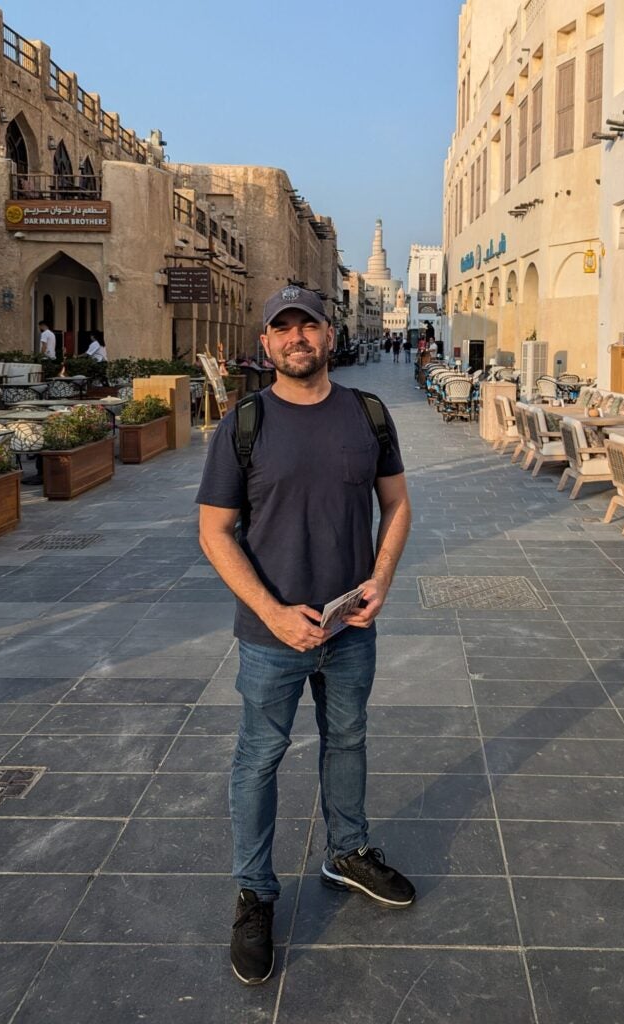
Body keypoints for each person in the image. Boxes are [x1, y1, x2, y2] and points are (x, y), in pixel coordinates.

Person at [196, 285, 414, 988]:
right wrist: (272, 611)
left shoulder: (367, 414)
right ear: (266, 344)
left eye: (308, 326)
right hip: (270, 635)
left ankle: (346, 852)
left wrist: (379, 579)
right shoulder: (246, 422)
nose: (296, 338)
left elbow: (397, 503)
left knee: (347, 738)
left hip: (350, 625)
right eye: (281, 328)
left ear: (329, 335)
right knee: (258, 758)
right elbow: (213, 531)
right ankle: (254, 892)